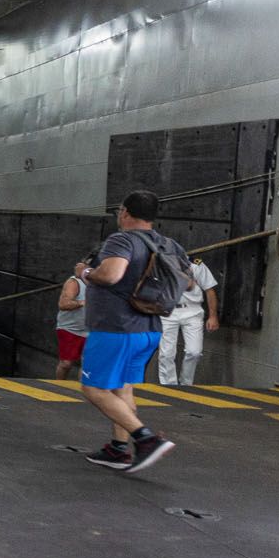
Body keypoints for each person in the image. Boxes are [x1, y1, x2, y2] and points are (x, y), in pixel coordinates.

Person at [74, 189, 188, 474]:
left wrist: (85, 273)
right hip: (148, 329)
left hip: (115, 328)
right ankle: (118, 449)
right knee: (121, 387)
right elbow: (187, 283)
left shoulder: (122, 239)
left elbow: (112, 274)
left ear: (124, 212)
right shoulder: (168, 244)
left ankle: (145, 439)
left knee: (92, 387)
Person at [157, 255, 220, 386]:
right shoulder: (159, 263)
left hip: (193, 311)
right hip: (168, 311)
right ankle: (168, 386)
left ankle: (186, 384)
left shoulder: (195, 264)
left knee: (194, 351)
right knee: (166, 353)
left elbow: (209, 289)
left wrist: (213, 316)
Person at [54, 272, 88, 381]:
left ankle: (82, 392)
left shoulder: (105, 282)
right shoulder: (74, 282)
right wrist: (82, 303)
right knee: (66, 363)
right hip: (70, 329)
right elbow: (63, 304)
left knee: (87, 363)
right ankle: (58, 386)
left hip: (92, 330)